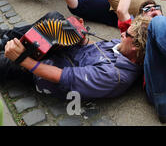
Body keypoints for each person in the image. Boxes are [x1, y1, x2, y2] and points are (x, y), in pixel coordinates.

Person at [0, 10, 143, 100]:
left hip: (45, 70)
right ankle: (6, 37)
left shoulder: (114, 75)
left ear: (136, 46)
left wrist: (22, 59)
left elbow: (59, 76)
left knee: (6, 61)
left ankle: (9, 48)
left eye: (127, 34)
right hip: (67, 52)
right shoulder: (125, 47)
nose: (122, 34)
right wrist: (80, 36)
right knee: (54, 17)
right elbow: (94, 49)